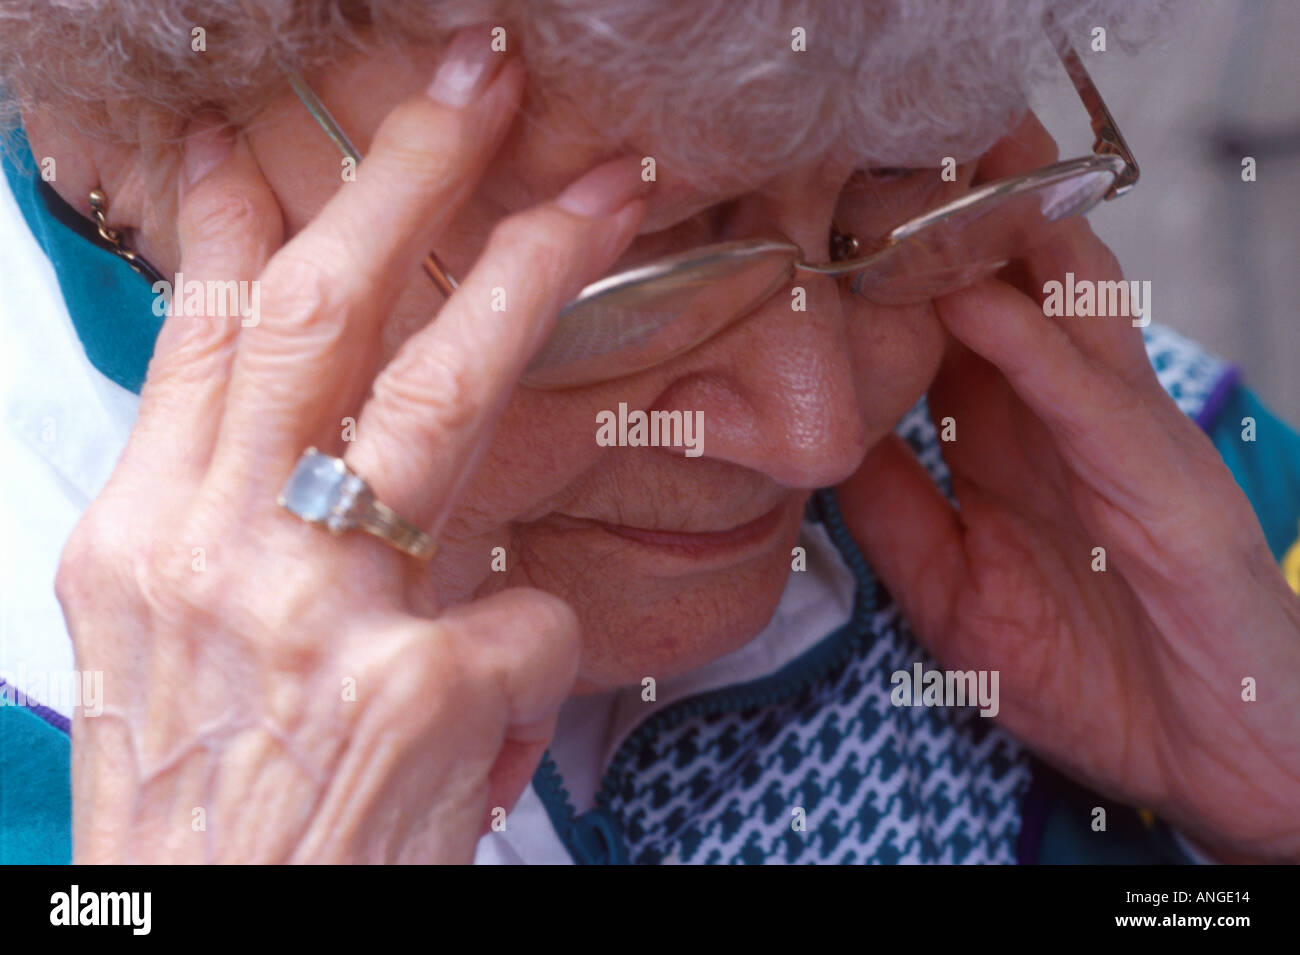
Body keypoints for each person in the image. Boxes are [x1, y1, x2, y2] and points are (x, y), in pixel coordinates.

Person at [1, 0, 1298, 865]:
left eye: (891, 180)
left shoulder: (1106, 477)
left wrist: (1262, 816)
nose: (819, 435)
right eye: (629, 265)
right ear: (119, 114)